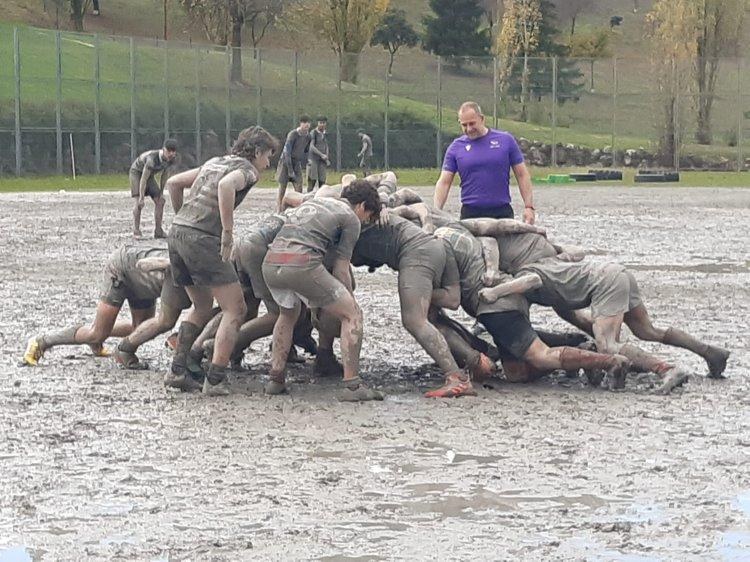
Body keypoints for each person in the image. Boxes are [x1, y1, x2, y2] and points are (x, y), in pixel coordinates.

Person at [469, 221, 730, 391]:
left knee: (608, 345)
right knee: (648, 331)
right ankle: (709, 352)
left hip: (605, 283)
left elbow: (531, 280)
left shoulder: (532, 270)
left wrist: (495, 291)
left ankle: (667, 368)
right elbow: (579, 315)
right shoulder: (556, 262)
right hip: (617, 273)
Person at [163, 126, 278, 395]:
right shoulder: (248, 170)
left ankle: (177, 371)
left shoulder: (214, 162)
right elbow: (227, 186)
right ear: (257, 151)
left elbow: (174, 183)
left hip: (178, 233)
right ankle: (215, 379)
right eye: (268, 156)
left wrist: (183, 216)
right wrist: (227, 232)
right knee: (235, 309)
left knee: (201, 305)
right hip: (203, 239)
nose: (268, 163)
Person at [262, 180, 382, 401]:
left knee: (287, 315)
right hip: (301, 263)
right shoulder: (351, 218)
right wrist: (348, 300)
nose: (365, 222)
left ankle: (275, 379)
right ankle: (353, 387)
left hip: (272, 261)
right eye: (368, 216)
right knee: (352, 314)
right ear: (363, 206)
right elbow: (341, 268)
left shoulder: (321, 201)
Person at [22, 240, 188, 366]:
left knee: (141, 329)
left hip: (142, 279)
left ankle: (97, 333)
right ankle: (42, 341)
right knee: (97, 333)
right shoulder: (188, 266)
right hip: (122, 268)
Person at [434, 101, 535, 223]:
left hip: (501, 212)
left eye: (472, 123)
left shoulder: (505, 140)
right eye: (464, 125)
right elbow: (444, 182)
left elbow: (522, 174)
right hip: (470, 214)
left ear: (482, 119)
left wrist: (529, 207)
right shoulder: (456, 148)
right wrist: (436, 212)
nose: (469, 129)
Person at [130, 138, 178, 238]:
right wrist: (142, 197)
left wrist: (161, 192)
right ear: (164, 149)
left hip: (149, 175)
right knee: (138, 203)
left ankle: (158, 231)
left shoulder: (171, 159)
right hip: (137, 173)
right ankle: (136, 231)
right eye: (169, 151)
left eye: (173, 151)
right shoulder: (151, 159)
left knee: (160, 201)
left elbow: (165, 175)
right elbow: (143, 179)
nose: (171, 154)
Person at [276, 115, 311, 210]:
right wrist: (290, 170)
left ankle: (298, 209)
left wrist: (307, 160)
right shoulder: (293, 134)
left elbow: (306, 150)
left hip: (296, 163)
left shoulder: (308, 136)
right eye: (304, 122)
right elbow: (287, 152)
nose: (306, 125)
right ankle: (280, 210)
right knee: (282, 187)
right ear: (300, 124)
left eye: (308, 122)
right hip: (286, 162)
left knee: (299, 187)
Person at [307, 116, 330, 192]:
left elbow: (326, 145)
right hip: (313, 159)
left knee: (322, 181)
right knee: (312, 180)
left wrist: (326, 157)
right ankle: (307, 199)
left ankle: (320, 198)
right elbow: (311, 146)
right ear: (317, 123)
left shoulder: (325, 133)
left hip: (322, 161)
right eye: (320, 123)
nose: (322, 124)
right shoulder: (314, 133)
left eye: (323, 123)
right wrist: (321, 154)